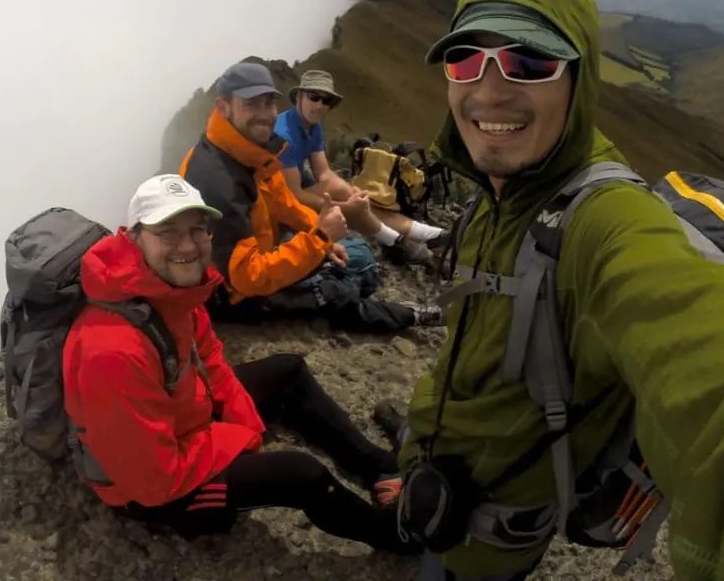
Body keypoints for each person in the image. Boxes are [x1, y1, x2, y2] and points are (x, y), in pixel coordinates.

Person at [394, 0, 724, 581]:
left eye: (529, 63)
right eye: (463, 61)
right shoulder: (496, 194)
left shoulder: (605, 219)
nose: (487, 90)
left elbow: (713, 348)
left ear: (579, 79)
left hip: (485, 544)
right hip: (435, 481)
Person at [62, 173, 417, 553]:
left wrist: (242, 418)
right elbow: (153, 479)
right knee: (301, 474)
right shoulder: (112, 351)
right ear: (133, 238)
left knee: (288, 370)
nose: (187, 244)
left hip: (179, 419)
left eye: (198, 230)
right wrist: (235, 438)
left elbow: (211, 357)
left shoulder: (169, 290)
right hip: (154, 491)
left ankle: (379, 466)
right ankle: (394, 535)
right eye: (168, 231)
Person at [181, 61, 441, 332]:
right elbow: (246, 278)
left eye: (268, 103)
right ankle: (413, 315)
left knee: (359, 258)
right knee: (337, 289)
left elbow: (284, 202)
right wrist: (319, 239)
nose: (264, 114)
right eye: (251, 104)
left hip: (260, 252)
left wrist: (321, 237)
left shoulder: (248, 151)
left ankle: (383, 258)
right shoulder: (218, 181)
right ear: (224, 107)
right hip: (232, 293)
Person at [275, 69, 445, 265]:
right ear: (298, 97)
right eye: (314, 97)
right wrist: (347, 206)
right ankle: (404, 239)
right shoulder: (285, 136)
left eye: (326, 101)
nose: (320, 105)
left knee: (351, 195)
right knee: (346, 197)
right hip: (274, 202)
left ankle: (415, 237)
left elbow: (323, 173)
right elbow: (293, 195)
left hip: (291, 192)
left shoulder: (313, 126)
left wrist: (353, 193)